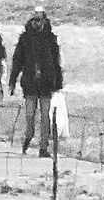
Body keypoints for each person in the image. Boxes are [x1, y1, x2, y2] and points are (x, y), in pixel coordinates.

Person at [8, 9, 64, 158]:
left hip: (46, 83)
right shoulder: (25, 39)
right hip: (30, 82)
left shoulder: (51, 39)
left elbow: (56, 62)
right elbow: (17, 60)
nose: (36, 23)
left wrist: (58, 84)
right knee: (30, 115)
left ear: (44, 22)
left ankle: (43, 147)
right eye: (34, 20)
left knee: (45, 116)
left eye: (38, 20)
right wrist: (12, 81)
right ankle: (28, 137)